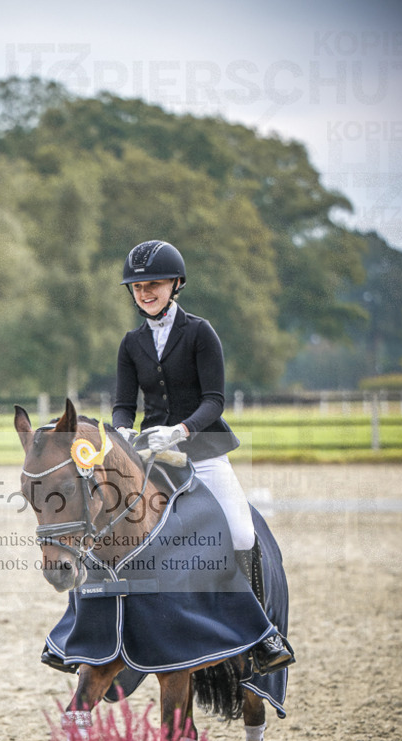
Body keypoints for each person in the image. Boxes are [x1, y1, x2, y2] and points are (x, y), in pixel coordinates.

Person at [112, 239, 293, 674]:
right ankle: (107, 631)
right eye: (137, 287)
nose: (144, 293)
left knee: (240, 533)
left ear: (176, 285)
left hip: (203, 453)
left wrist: (180, 430)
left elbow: (214, 400)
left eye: (153, 284)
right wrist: (121, 430)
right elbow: (124, 403)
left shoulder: (199, 332)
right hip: (152, 458)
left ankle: (260, 636)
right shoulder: (131, 343)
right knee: (115, 529)